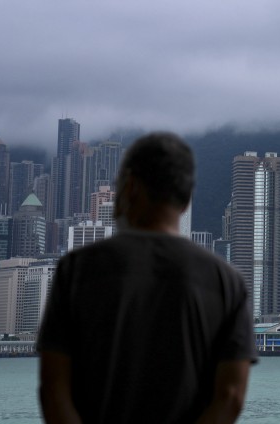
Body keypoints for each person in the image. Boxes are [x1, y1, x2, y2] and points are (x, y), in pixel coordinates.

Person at [37, 132, 256, 423]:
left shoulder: (76, 270)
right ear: (186, 200)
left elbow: (53, 390)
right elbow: (231, 396)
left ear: (130, 186)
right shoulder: (227, 281)